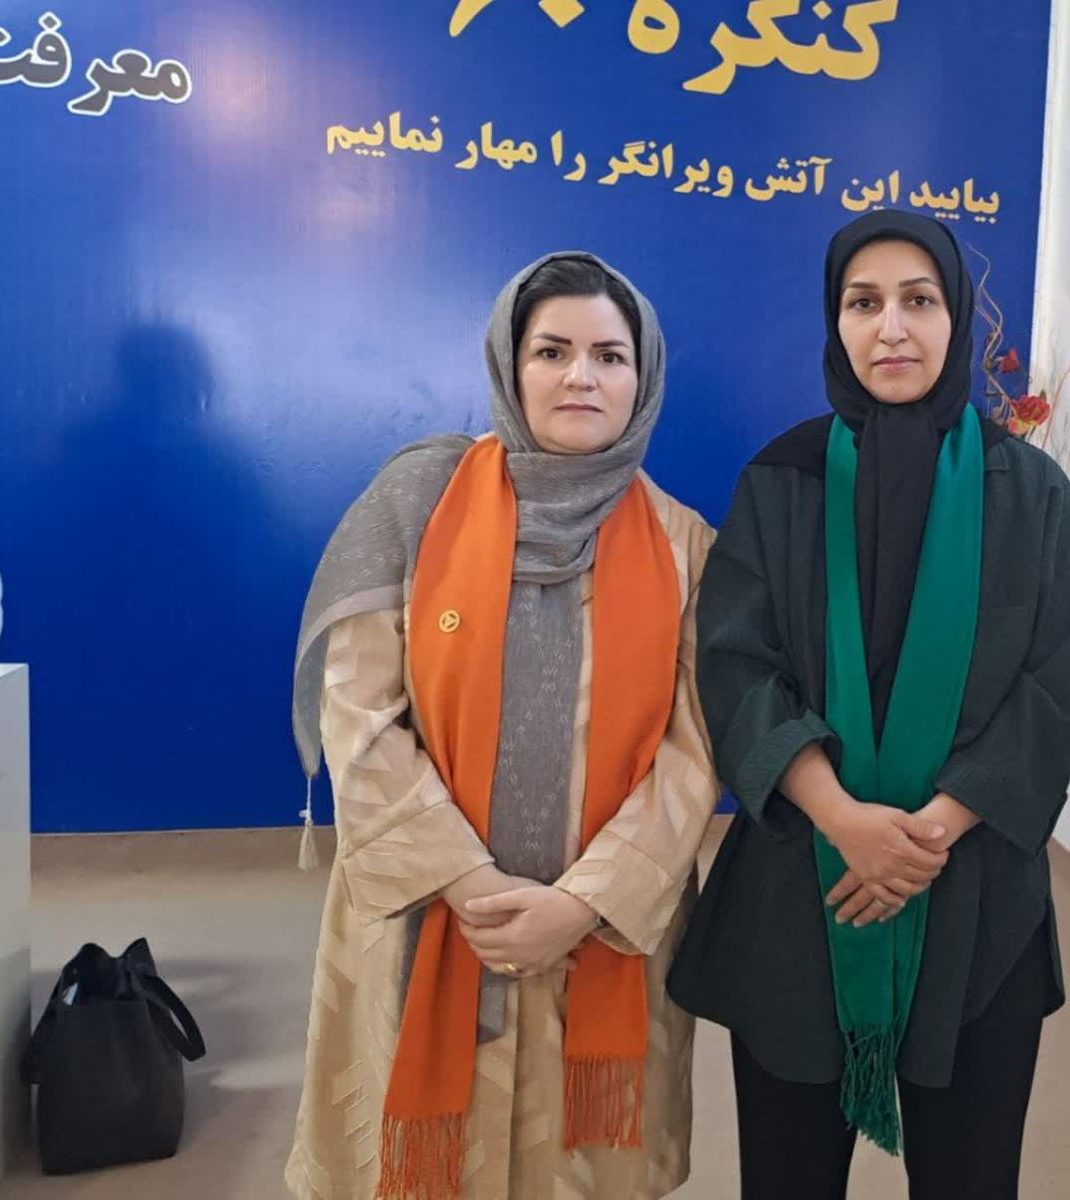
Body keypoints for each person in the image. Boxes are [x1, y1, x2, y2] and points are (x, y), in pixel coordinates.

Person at [668, 210, 1070, 1200]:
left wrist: (923, 837)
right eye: (864, 303)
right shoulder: (781, 481)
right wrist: (844, 819)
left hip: (974, 894)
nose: (890, 327)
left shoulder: (1030, 495)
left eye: (918, 300)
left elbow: (1049, 688)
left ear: (957, 317)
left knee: (968, 1177)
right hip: (802, 886)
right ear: (836, 321)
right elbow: (735, 666)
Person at [285, 252, 720, 1200]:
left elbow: (694, 750)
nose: (580, 377)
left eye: (609, 356)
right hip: (431, 913)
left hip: (600, 934)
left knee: (582, 1166)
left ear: (643, 378)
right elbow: (357, 711)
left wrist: (583, 902)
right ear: (508, 365)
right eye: (551, 351)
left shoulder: (686, 545)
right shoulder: (416, 504)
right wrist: (469, 883)